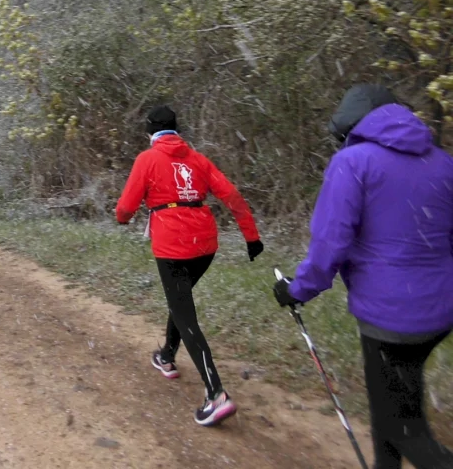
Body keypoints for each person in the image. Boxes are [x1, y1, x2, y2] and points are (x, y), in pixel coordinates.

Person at [274, 85, 453, 469]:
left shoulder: (353, 162)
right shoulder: (442, 162)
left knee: (406, 430)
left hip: (390, 316)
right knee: (392, 402)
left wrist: (296, 290)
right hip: (439, 309)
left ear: (351, 127)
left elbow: (330, 243)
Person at [115, 105, 263, 427]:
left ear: (150, 131)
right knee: (180, 300)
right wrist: (251, 237)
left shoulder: (147, 159)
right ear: (176, 129)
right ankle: (167, 355)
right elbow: (233, 196)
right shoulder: (198, 159)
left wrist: (122, 218)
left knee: (184, 313)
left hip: (172, 246)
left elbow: (126, 206)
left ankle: (216, 394)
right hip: (205, 245)